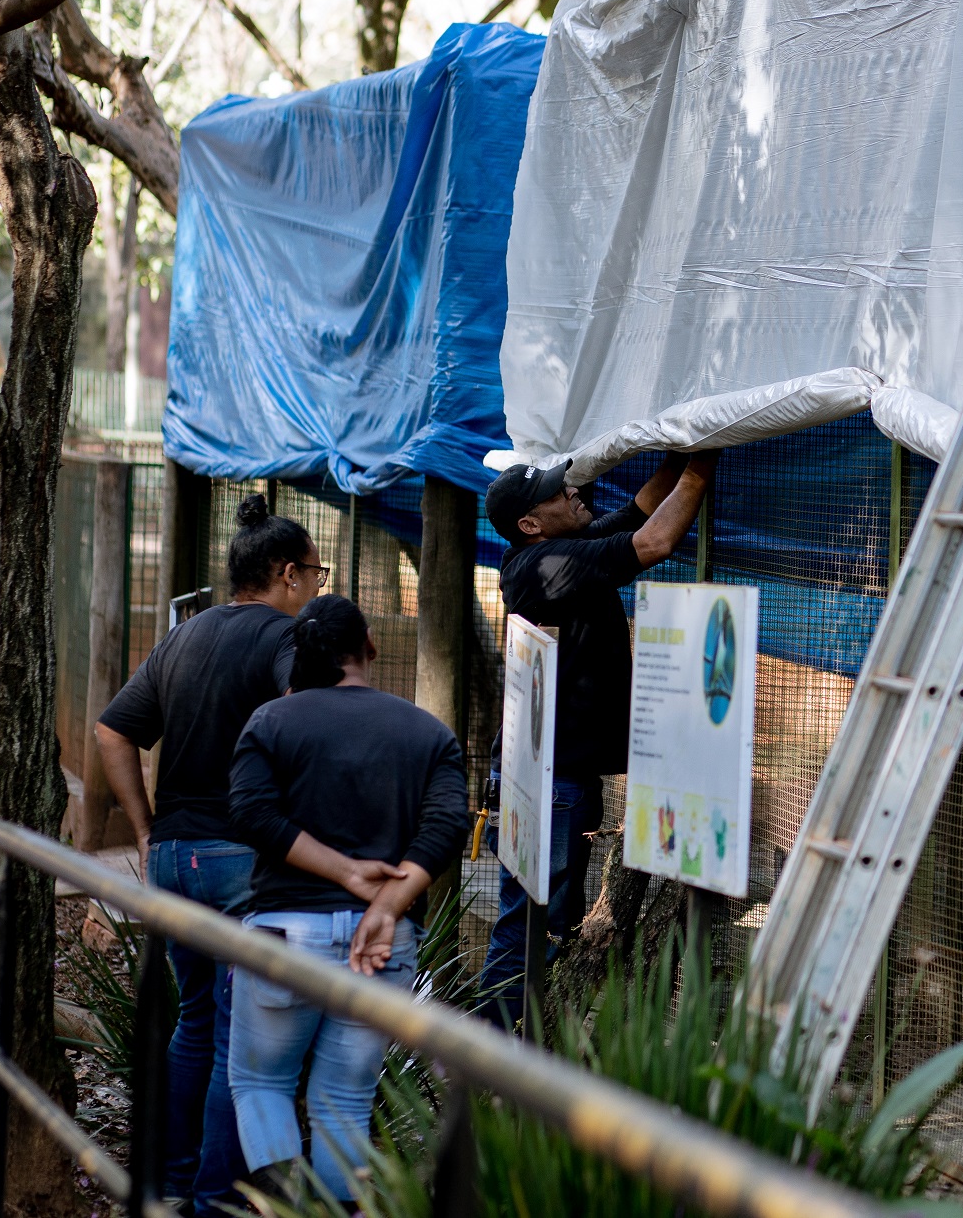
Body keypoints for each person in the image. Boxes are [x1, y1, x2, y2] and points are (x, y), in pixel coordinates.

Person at [93, 494, 325, 1215]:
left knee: (195, 1022)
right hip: (240, 862)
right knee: (241, 1041)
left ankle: (171, 1185)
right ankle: (216, 1202)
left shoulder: (184, 636)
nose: (318, 586)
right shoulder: (288, 638)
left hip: (173, 858)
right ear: (287, 573)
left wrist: (144, 828)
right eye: (316, 573)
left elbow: (112, 731)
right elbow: (305, 715)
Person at [224, 594, 469, 1200]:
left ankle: (286, 1210)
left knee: (261, 1085)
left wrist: (345, 872)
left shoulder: (270, 722)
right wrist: (383, 906)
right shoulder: (428, 733)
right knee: (344, 1101)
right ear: (370, 647)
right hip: (384, 946)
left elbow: (250, 813)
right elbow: (447, 825)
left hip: (284, 938)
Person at [474, 450, 716, 1027]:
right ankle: (487, 1055)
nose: (574, 492)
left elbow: (638, 514)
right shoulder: (544, 566)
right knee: (533, 928)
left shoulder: (554, 550)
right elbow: (654, 542)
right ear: (530, 523)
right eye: (558, 493)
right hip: (550, 784)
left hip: (552, 777)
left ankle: (504, 1048)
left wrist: (683, 450)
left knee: (538, 923)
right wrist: (702, 468)